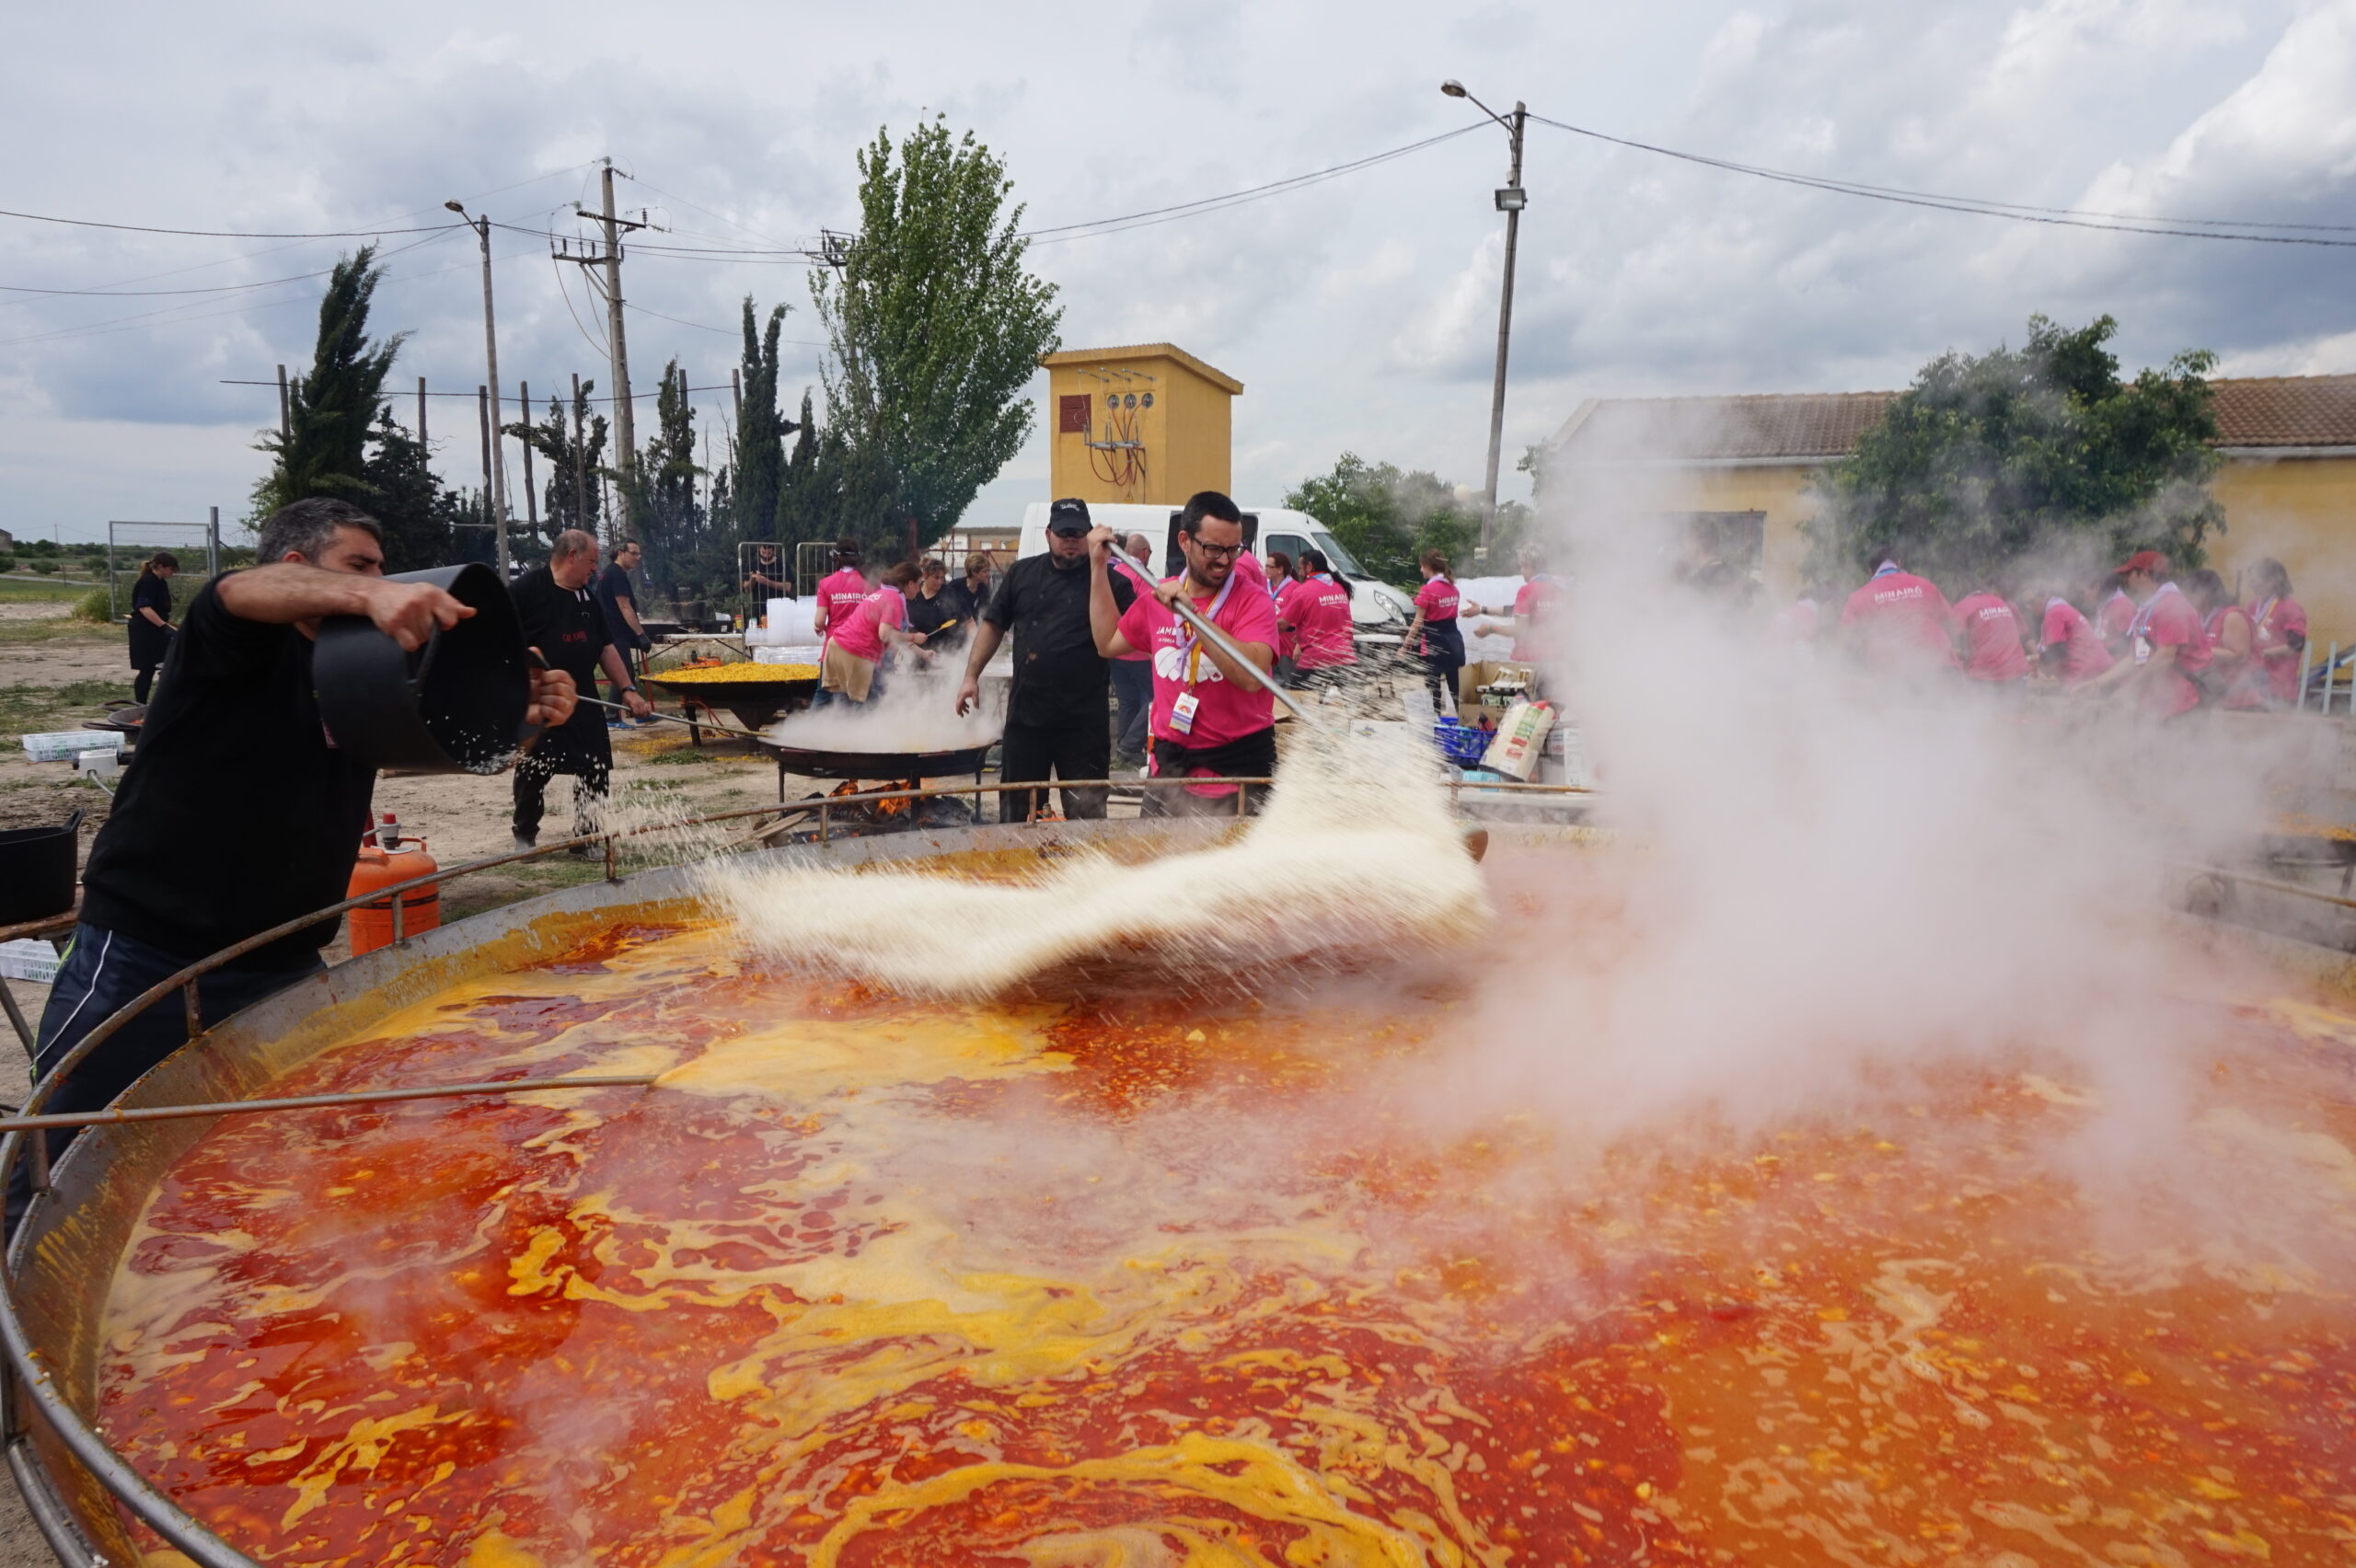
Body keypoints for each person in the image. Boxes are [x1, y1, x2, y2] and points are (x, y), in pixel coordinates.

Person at [16, 498, 576, 1228]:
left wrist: (523, 720)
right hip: (147, 956)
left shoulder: (357, 668)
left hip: (282, 956)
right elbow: (235, 591)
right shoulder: (232, 641)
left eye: (382, 568)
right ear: (296, 566)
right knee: (52, 1165)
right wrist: (372, 596)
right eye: (360, 565)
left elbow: (432, 751)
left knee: (289, 1154)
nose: (381, 579)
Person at [1088, 490, 1278, 817]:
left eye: (1234, 549)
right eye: (1213, 549)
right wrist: (1098, 569)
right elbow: (1107, 642)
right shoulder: (1158, 597)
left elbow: (1251, 677)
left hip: (1236, 778)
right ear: (1184, 541)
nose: (1224, 561)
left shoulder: (1253, 601)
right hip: (1169, 775)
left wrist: (1196, 616)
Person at [960, 499, 1135, 821]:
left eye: (1079, 533)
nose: (1071, 539)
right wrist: (971, 677)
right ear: (1048, 534)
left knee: (1087, 817)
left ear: (1090, 535)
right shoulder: (1022, 574)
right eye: (1064, 532)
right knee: (1017, 812)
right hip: (1028, 717)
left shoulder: (1113, 583)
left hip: (1084, 722)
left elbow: (1132, 635)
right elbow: (993, 625)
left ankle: (1085, 868)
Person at [510, 530, 653, 851]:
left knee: (595, 768)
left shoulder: (588, 597)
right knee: (534, 768)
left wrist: (628, 690)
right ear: (572, 555)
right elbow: (501, 638)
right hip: (541, 699)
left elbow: (606, 647)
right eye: (591, 561)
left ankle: (587, 836)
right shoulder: (526, 590)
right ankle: (525, 834)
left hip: (583, 696)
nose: (594, 568)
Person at [2078, 550, 2210, 719]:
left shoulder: (2171, 605)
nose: (2126, 580)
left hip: (2184, 704)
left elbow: (2165, 657)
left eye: (2129, 574)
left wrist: (2129, 689)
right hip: (2158, 703)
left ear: (2144, 574)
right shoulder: (2148, 608)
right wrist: (2096, 683)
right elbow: (2135, 658)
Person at [1838, 553, 1958, 677]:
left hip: (1895, 674)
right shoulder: (1926, 585)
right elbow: (1953, 626)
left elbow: (1845, 640)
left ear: (1870, 572)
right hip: (1942, 666)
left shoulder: (1859, 597)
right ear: (1900, 564)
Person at [826, 561, 929, 705]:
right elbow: (885, 634)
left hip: (838, 647)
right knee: (871, 704)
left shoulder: (884, 593)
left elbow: (895, 637)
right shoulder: (894, 600)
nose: (920, 589)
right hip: (855, 651)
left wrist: (924, 654)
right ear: (911, 584)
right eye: (920, 583)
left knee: (844, 706)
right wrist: (913, 636)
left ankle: (834, 727)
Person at [1108, 534, 1158, 769]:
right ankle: (1129, 747)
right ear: (1145, 552)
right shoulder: (1143, 577)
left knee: (1127, 701)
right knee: (1154, 700)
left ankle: (1122, 752)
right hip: (1138, 651)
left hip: (1116, 649)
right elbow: (1150, 616)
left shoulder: (1116, 571)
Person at [2187, 569, 2265, 710]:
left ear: (2204, 593)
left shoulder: (2232, 616)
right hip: (2214, 696)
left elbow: (2239, 655)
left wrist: (2197, 651)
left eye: (2190, 595)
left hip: (2240, 699)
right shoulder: (2200, 616)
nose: (2188, 600)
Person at [593, 538, 652, 721]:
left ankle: (637, 711)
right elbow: (625, 607)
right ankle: (611, 716)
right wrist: (641, 634)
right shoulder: (616, 574)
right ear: (620, 553)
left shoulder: (610, 573)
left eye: (639, 554)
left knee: (629, 672)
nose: (637, 557)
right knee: (622, 672)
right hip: (614, 631)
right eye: (633, 553)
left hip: (614, 629)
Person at [1282, 548, 1357, 688]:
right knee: (1348, 706)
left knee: (1297, 700)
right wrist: (1299, 643)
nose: (1299, 573)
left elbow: (1282, 624)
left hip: (1316, 658)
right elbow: (1324, 622)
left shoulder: (1303, 590)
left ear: (1309, 566)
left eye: (1300, 568)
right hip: (1346, 656)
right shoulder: (1340, 587)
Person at [1402, 550, 1465, 713]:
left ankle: (1436, 725)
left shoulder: (1427, 590)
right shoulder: (1452, 588)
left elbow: (1417, 622)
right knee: (1456, 689)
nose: (1420, 570)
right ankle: (1463, 722)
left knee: (1434, 691)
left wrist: (1405, 645)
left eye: (1422, 566)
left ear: (1428, 566)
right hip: (1454, 641)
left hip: (1435, 643)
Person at [2247, 558, 2309, 709]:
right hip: (2253, 681)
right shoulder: (2253, 605)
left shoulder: (2289, 607)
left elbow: (2296, 645)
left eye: (2256, 581)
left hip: (2278, 684)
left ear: (2272, 580)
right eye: (2251, 581)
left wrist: (2261, 654)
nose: (2252, 585)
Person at [126, 550, 179, 703]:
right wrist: (164, 627)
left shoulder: (160, 582)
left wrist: (167, 625)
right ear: (161, 566)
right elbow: (144, 608)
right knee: (147, 669)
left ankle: (164, 701)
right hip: (144, 630)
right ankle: (140, 705)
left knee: (167, 665)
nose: (173, 572)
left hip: (156, 628)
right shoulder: (148, 581)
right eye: (171, 569)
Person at [1951, 583, 2027, 686]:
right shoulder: (1999, 601)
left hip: (1984, 674)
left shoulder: (1963, 606)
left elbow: (1961, 647)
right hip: (2016, 669)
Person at [2037, 589, 2113, 687]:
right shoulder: (2063, 608)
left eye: (2032, 601)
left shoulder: (2054, 613)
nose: (2029, 606)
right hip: (2101, 665)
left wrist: (2036, 663)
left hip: (2085, 670)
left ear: (2046, 596)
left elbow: (2057, 651)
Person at [906, 557, 963, 651]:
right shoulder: (913, 593)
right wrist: (913, 636)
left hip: (946, 651)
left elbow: (968, 621)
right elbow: (905, 624)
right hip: (918, 651)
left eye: (942, 578)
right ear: (925, 575)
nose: (940, 581)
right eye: (936, 578)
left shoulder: (949, 593)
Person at [2095, 571, 2136, 661]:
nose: (2083, 595)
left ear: (2097, 587)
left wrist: (2102, 650)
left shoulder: (2123, 607)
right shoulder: (2105, 604)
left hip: (2122, 667)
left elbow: (2130, 642)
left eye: (2084, 591)